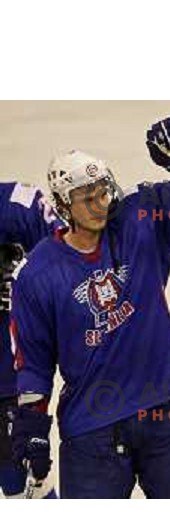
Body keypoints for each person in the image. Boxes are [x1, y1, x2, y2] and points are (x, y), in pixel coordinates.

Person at [10, 115, 170, 498]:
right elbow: (35, 366)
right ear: (61, 204)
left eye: (102, 191)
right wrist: (32, 430)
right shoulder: (36, 275)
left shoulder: (139, 222)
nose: (99, 204)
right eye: (85, 197)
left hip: (165, 409)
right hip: (92, 431)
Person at [0, 182, 59, 499]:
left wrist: (27, 281)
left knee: (22, 485)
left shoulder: (15, 202)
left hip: (9, 381)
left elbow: (70, 249)